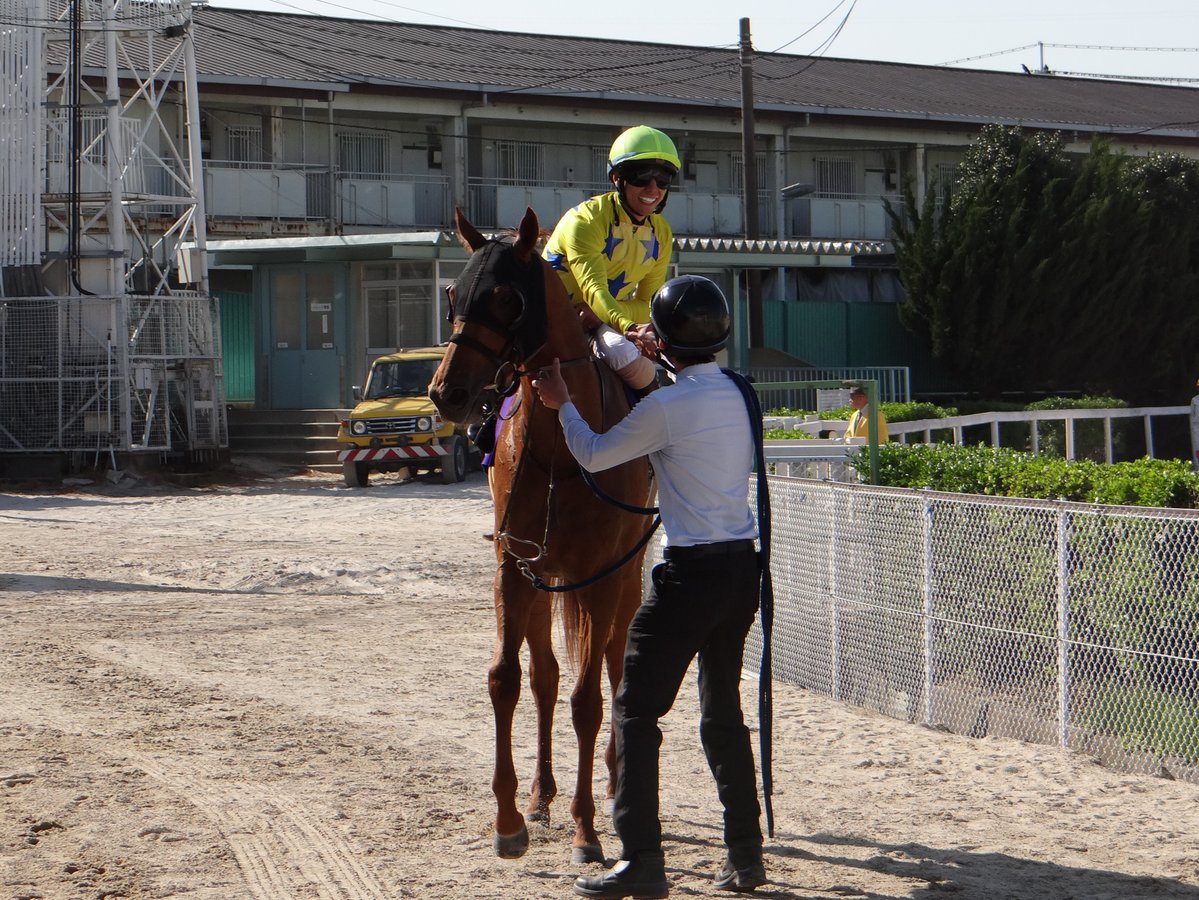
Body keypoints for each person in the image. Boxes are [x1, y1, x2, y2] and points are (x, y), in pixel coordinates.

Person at [532, 275, 767, 899]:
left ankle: (641, 860)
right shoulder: (742, 392)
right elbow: (648, 366)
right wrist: (627, 341)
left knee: (635, 714)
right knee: (723, 716)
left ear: (661, 340)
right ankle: (745, 854)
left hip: (689, 574)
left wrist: (563, 402)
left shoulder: (663, 407)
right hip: (743, 570)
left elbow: (594, 453)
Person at [543, 125, 680, 398]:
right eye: (642, 175)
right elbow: (594, 290)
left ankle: (655, 427)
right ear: (618, 177)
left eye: (663, 178)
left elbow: (648, 304)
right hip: (545, 317)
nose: (653, 188)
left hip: (601, 319)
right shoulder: (585, 220)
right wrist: (628, 327)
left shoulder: (662, 233)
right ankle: (486, 423)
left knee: (631, 360)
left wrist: (610, 316)